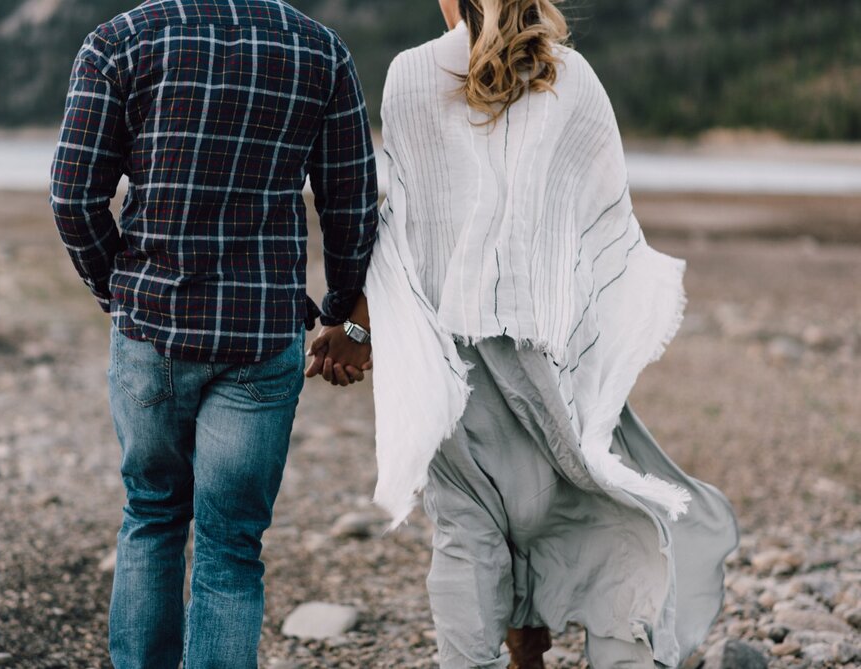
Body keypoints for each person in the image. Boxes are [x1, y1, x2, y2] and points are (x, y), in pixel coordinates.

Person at [309, 0, 740, 667]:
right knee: (586, 500)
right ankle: (611, 652)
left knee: (467, 525)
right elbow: (604, 224)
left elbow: (403, 230)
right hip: (552, 348)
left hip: (446, 355)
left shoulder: (412, 73)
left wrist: (357, 332)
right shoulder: (574, 79)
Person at [49, 1, 378, 666]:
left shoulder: (121, 41)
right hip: (261, 336)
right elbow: (349, 201)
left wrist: (115, 289)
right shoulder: (319, 50)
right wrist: (346, 316)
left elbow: (72, 196)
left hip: (153, 328)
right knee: (231, 547)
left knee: (152, 516)